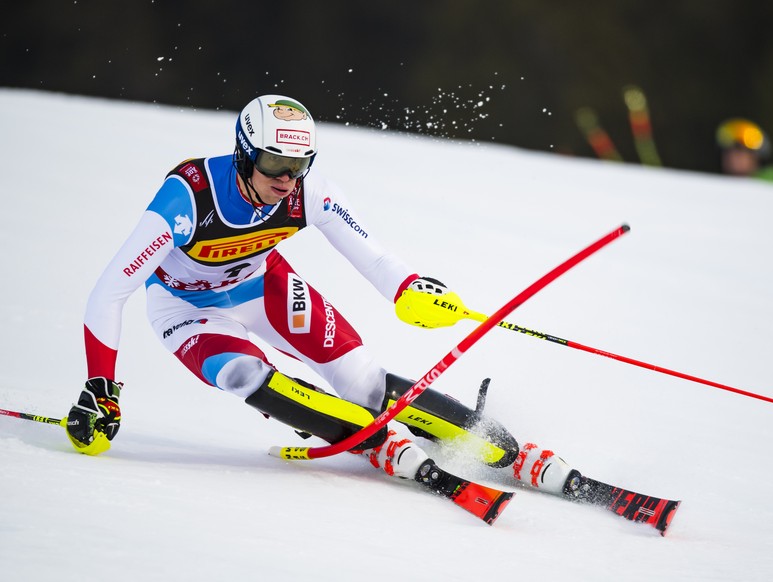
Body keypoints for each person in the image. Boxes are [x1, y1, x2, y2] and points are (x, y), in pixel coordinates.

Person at [65, 94, 577, 499]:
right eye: (273, 164)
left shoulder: (310, 192)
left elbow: (374, 258)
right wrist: (100, 386)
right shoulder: (188, 196)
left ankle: (499, 446)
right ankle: (372, 439)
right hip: (185, 309)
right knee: (242, 374)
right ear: (244, 152)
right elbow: (110, 292)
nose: (286, 181)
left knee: (363, 381)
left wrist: (412, 290)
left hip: (262, 288)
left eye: (298, 165)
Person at [715, 118, 773, 182]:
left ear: (756, 157)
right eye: (727, 151)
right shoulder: (717, 183)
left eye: (740, 150)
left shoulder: (769, 178)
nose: (732, 157)